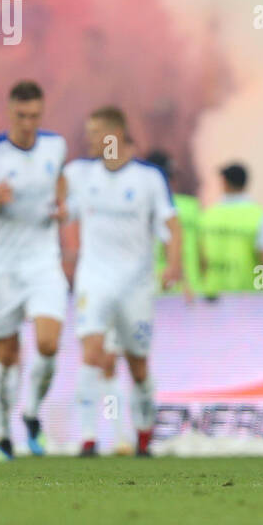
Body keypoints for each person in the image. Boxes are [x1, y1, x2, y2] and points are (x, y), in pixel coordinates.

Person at [63, 107, 181, 457]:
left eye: (96, 132)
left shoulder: (148, 178)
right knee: (93, 353)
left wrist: (173, 265)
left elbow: (172, 225)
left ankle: (144, 434)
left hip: (136, 284)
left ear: (115, 134)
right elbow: (58, 206)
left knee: (138, 364)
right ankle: (87, 438)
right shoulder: (79, 174)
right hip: (94, 279)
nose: (90, 139)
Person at [0, 80, 68, 461]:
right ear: (10, 113)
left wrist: (62, 203)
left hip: (43, 261)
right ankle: (4, 432)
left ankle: (31, 412)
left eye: (35, 116)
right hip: (1, 266)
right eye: (22, 116)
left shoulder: (55, 146)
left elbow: (60, 178)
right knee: (7, 355)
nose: (29, 123)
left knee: (48, 344)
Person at [197, 163, 263, 293]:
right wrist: (261, 288)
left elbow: (201, 260)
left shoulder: (208, 216)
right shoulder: (258, 216)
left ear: (224, 182)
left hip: (213, 295)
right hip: (247, 297)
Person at [144, 149, 202, 297]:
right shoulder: (193, 207)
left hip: (153, 289)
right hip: (188, 290)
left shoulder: (142, 208)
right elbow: (203, 255)